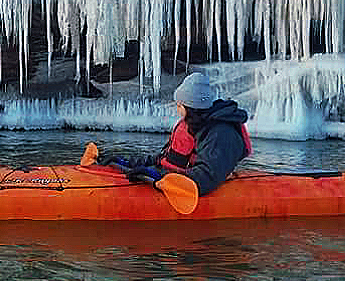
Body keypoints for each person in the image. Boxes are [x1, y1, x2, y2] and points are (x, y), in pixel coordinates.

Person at [101, 72, 252, 196]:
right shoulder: (194, 123)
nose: (176, 108)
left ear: (192, 107)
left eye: (179, 105)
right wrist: (129, 163)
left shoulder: (220, 133)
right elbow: (166, 158)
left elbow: (206, 177)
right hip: (172, 177)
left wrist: (158, 177)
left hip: (187, 183)